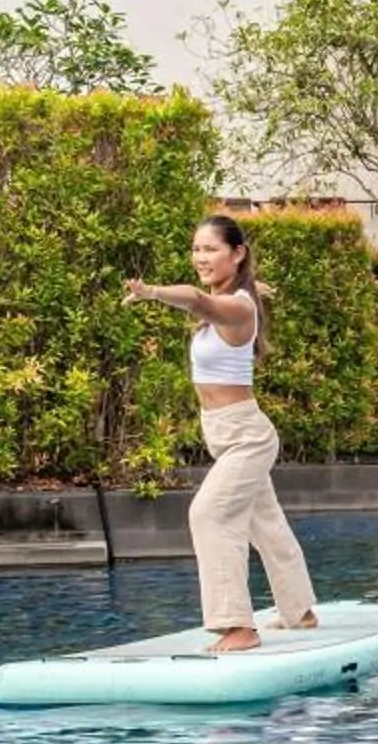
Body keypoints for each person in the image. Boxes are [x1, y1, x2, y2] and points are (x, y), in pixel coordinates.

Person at [125, 216, 319, 654]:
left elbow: (197, 300)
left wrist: (151, 292)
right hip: (226, 433)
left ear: (237, 253)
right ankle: (300, 610)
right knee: (264, 522)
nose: (200, 257)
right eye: (196, 249)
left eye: (210, 249)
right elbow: (210, 300)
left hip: (247, 436)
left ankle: (237, 626)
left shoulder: (238, 307)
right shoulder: (234, 301)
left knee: (209, 515)